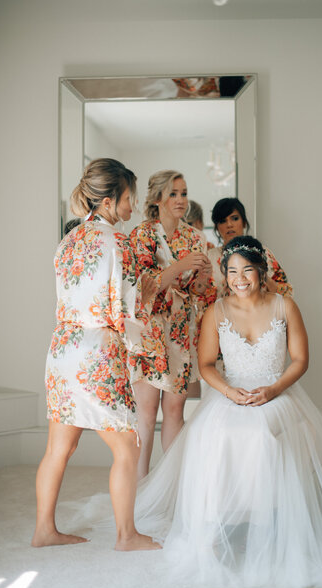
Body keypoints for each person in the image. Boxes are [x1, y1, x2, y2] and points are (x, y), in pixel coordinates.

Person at [127, 235, 322, 588]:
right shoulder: (216, 311)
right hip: (231, 391)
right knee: (212, 433)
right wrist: (228, 392)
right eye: (232, 271)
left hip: (277, 391)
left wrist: (272, 390)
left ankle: (267, 524)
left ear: (262, 272)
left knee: (259, 432)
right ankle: (217, 525)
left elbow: (300, 360)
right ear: (224, 275)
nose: (240, 278)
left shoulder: (285, 306)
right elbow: (206, 364)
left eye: (248, 270)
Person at [32, 158, 160, 552]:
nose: (131, 207)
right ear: (108, 201)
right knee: (128, 446)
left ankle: (44, 530)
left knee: (59, 447)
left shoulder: (67, 240)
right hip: (96, 354)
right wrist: (152, 292)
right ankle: (127, 536)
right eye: (128, 199)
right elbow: (124, 307)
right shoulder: (115, 243)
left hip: (62, 350)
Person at [129, 170, 216, 479]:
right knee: (147, 411)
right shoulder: (142, 235)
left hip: (180, 332)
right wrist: (179, 266)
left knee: (175, 411)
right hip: (150, 332)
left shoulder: (195, 237)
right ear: (157, 199)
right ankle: (138, 490)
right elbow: (140, 288)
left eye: (184, 192)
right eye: (174, 193)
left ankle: (172, 487)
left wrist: (203, 277)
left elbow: (198, 291)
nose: (181, 199)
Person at [209, 197, 293, 298]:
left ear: (244, 222)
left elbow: (286, 292)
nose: (229, 225)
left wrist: (263, 277)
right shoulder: (210, 257)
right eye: (223, 221)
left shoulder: (262, 253)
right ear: (217, 227)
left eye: (235, 218)